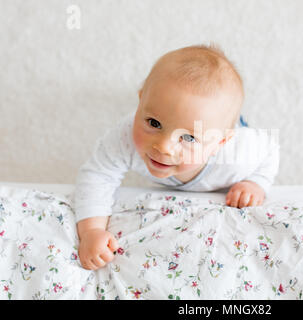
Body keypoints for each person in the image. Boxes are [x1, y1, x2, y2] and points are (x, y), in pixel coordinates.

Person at [74, 43, 280, 270]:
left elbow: (270, 150)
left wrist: (255, 183)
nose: (164, 147)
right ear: (141, 100)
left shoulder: (236, 154)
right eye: (154, 123)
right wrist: (91, 230)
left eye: (189, 138)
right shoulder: (125, 136)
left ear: (219, 142)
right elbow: (97, 174)